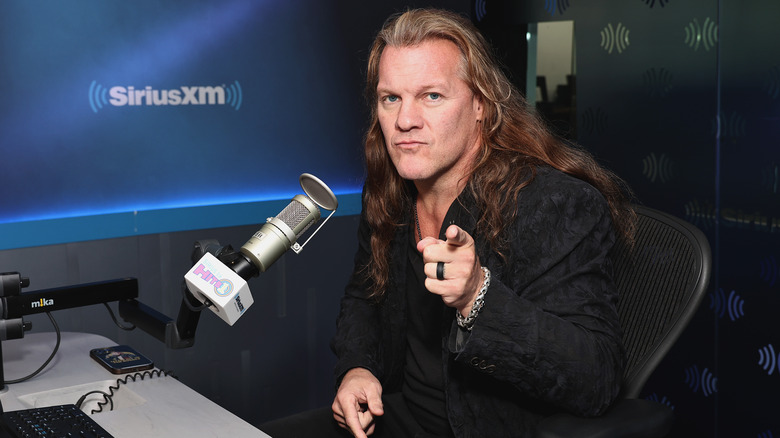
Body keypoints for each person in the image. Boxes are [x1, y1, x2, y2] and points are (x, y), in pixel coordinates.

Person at [261, 8, 635, 438]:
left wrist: (478, 296)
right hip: (401, 415)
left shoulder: (556, 204)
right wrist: (357, 369)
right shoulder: (389, 189)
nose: (405, 121)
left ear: (480, 105)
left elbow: (597, 379)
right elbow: (365, 295)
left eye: (432, 96)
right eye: (391, 99)